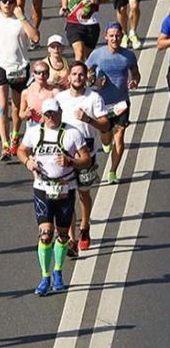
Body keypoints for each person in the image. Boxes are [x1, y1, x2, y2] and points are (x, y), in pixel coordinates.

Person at [17, 99, 91, 295]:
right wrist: (27, 162)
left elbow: (86, 159)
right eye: (47, 114)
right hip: (42, 187)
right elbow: (21, 150)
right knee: (45, 233)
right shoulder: (34, 132)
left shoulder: (72, 133)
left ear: (60, 113)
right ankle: (45, 276)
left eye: (53, 114)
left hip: (66, 187)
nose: (50, 118)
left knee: (63, 234)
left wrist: (70, 161)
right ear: (42, 115)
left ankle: (58, 271)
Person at [55, 62, 110, 254]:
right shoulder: (60, 98)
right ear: (69, 77)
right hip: (65, 154)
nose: (78, 77)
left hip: (87, 154)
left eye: (81, 74)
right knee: (66, 196)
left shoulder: (93, 98)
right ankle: (71, 237)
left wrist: (88, 119)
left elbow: (105, 126)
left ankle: (85, 227)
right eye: (74, 74)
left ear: (86, 77)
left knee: (83, 194)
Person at [0, 0, 38, 158]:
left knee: (17, 107)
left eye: (10, 1)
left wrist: (21, 17)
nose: (7, 4)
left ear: (15, 4)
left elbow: (35, 37)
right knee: (3, 105)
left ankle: (15, 136)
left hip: (19, 66)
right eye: (4, 1)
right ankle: (4, 143)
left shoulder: (21, 20)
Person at [86, 22, 141, 183]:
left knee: (120, 136)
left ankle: (112, 172)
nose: (114, 38)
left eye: (117, 35)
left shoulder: (128, 55)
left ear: (122, 36)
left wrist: (135, 82)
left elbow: (136, 74)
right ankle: (105, 140)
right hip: (102, 104)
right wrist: (94, 82)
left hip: (121, 103)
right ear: (106, 37)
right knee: (106, 137)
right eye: (111, 36)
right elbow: (87, 74)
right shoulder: (97, 55)